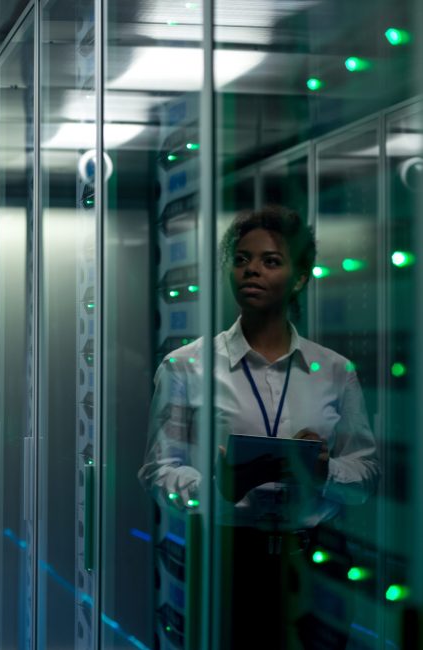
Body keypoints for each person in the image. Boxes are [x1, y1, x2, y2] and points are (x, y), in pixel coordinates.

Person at [139, 205, 378, 648]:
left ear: (300, 277)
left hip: (317, 561)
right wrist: (217, 486)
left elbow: (365, 476)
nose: (252, 270)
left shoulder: (334, 370)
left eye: (271, 261)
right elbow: (157, 472)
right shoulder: (185, 367)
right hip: (229, 559)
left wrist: (324, 473)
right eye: (242, 259)